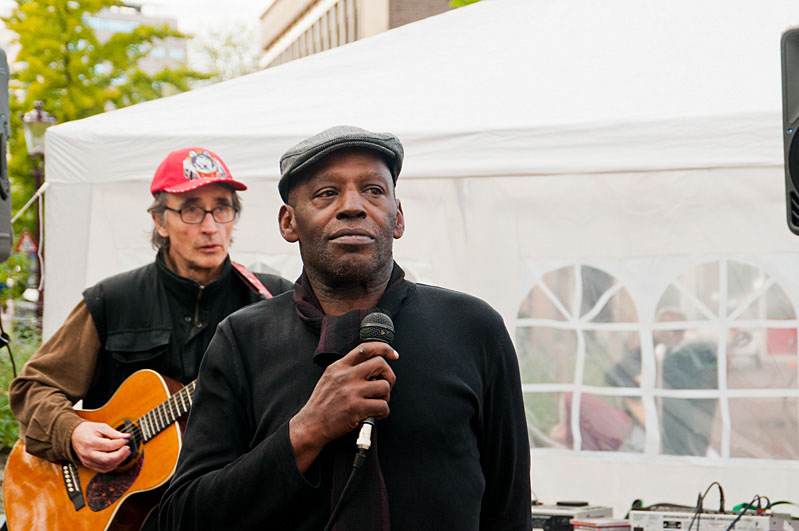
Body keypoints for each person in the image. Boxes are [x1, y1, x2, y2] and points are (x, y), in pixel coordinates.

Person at [159, 126, 532, 530]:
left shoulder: (473, 329)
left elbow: (508, 509)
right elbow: (184, 516)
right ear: (289, 222)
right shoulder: (243, 340)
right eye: (326, 193)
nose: (353, 206)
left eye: (373, 190)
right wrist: (306, 431)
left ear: (398, 216)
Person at [8, 147, 293, 528]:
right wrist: (72, 432)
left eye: (222, 208)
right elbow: (33, 388)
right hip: (124, 510)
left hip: (229, 507)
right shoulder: (112, 300)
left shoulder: (275, 301)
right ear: (160, 221)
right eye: (191, 209)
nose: (210, 226)